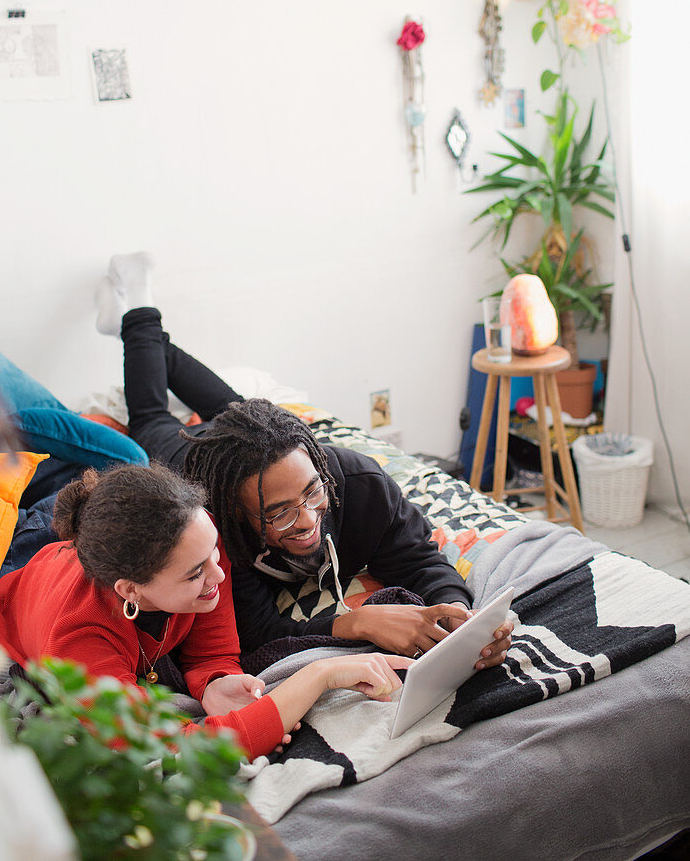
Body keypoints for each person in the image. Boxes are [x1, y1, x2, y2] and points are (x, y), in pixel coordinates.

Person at [96, 253, 513, 666]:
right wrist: (357, 622)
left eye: (313, 493)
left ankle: (141, 335)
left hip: (252, 444)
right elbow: (256, 632)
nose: (309, 520)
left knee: (244, 411)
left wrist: (457, 617)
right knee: (149, 419)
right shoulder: (212, 530)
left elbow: (422, 561)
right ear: (238, 514)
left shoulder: (360, 484)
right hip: (194, 455)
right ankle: (139, 300)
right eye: (278, 514)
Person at [0, 461, 411, 761]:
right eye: (195, 575)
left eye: (214, 554)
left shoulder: (196, 535)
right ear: (131, 589)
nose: (220, 577)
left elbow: (212, 648)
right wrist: (319, 674)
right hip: (13, 598)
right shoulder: (76, 640)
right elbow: (172, 745)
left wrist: (214, 680)